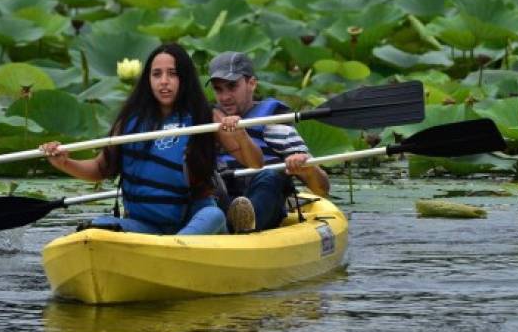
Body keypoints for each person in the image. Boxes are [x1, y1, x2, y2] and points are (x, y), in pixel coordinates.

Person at [40, 43, 263, 235]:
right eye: (157, 74)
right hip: (144, 225)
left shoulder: (206, 117)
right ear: (148, 80)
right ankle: (163, 249)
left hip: (194, 220)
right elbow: (100, 169)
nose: (163, 82)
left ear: (184, 79)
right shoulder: (130, 122)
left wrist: (241, 135)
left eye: (172, 74)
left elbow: (255, 163)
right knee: (98, 226)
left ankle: (177, 248)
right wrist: (65, 162)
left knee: (214, 215)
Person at [208, 51, 330, 232]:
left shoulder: (277, 129)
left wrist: (307, 168)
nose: (225, 97)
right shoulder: (209, 125)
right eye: (218, 89)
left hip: (265, 212)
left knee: (270, 175)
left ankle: (243, 224)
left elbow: (322, 189)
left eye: (232, 86)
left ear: (252, 84)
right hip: (221, 202)